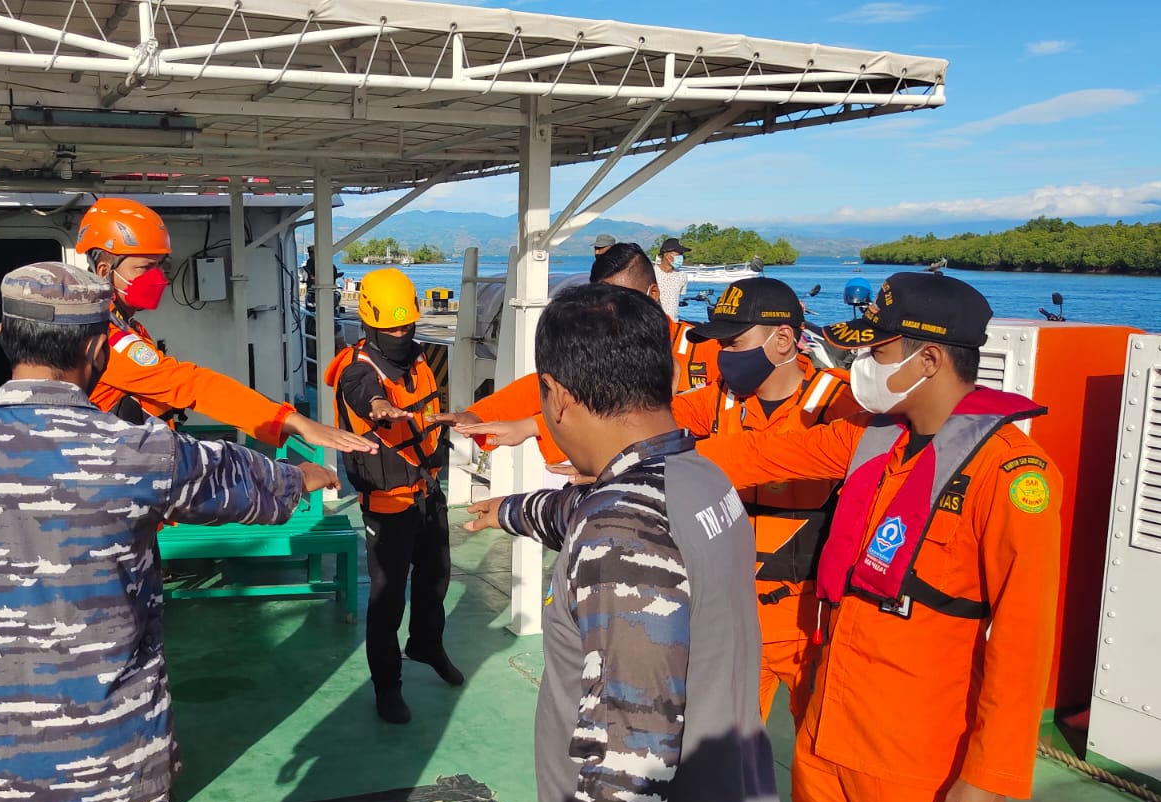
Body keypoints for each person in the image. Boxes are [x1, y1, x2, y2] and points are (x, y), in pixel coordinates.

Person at [0, 262, 339, 802]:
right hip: (120, 761)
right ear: (96, 349)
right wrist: (304, 476)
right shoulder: (143, 451)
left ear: (4, 334)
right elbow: (239, 479)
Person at [692, 272, 1062, 802]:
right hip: (829, 725)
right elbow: (752, 459)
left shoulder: (1011, 474)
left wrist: (989, 776)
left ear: (929, 358)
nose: (861, 366)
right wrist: (611, 465)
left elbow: (1023, 638)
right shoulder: (871, 440)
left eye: (877, 352)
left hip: (918, 754)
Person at [462, 282, 795, 802]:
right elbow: (588, 508)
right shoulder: (698, 478)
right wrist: (512, 510)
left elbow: (632, 760)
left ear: (557, 398)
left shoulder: (622, 533)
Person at [677, 278, 862, 724]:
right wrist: (539, 426)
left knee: (819, 761)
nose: (723, 355)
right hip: (730, 616)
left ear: (783, 339)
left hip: (811, 622)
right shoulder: (718, 403)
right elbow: (645, 423)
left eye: (735, 341)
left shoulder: (841, 404)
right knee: (720, 753)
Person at [75, 198, 373, 455]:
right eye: (144, 268)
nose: (158, 277)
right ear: (105, 272)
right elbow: (189, 384)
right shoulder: (107, 338)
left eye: (159, 265)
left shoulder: (128, 328)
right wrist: (289, 420)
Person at [436, 243, 719, 464]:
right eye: (603, 301)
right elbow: (552, 385)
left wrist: (533, 426)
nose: (614, 312)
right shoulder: (603, 348)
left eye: (625, 301)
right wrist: (479, 415)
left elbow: (676, 416)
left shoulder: (707, 349)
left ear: (653, 293)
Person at [324, 268, 459, 724]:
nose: (401, 334)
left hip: (427, 489)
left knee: (436, 578)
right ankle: (387, 685)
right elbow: (365, 395)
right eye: (392, 328)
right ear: (370, 323)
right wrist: (380, 408)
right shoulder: (357, 368)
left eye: (407, 326)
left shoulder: (422, 359)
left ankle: (425, 646)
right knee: (386, 598)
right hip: (386, 502)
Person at [654, 236, 692, 322]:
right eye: (679, 254)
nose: (681, 258)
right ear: (667, 255)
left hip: (673, 323)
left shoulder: (682, 276)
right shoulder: (651, 273)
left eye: (682, 255)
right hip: (653, 324)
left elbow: (681, 295)